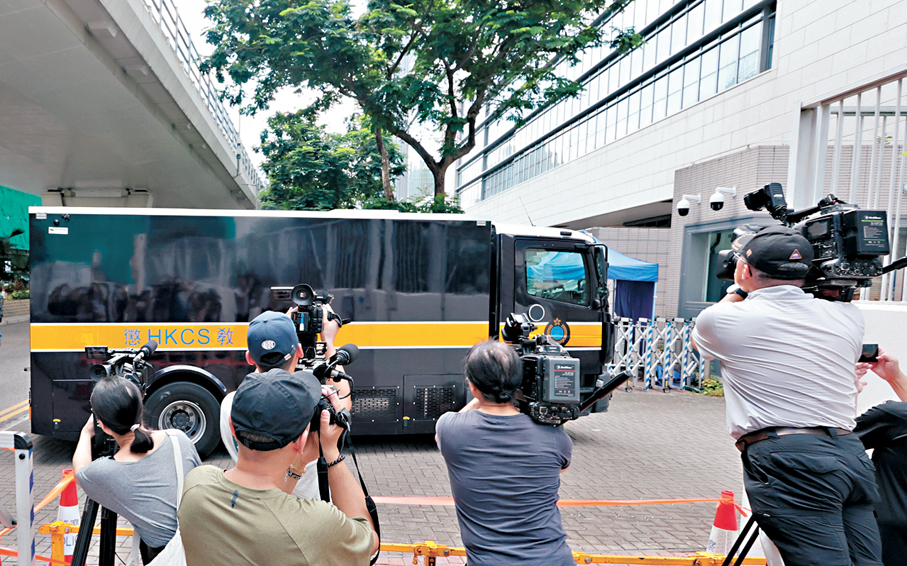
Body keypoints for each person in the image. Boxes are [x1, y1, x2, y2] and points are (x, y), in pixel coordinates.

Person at [691, 225, 882, 566]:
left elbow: (705, 336)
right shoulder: (848, 315)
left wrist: (738, 287)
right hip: (850, 456)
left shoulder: (722, 320)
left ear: (745, 269)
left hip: (792, 461)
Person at [177, 349, 378, 565]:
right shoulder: (315, 525)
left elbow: (266, 506)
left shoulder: (197, 484)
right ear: (300, 441)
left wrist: (299, 464)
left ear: (232, 429)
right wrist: (331, 452)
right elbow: (369, 542)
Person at [435, 340, 574, 566]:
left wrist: (481, 397)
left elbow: (440, 434)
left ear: (472, 386)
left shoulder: (451, 430)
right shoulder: (555, 439)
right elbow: (563, 466)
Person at [218, 305, 350, 499]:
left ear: (249, 357)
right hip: (308, 512)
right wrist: (329, 342)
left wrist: (280, 327)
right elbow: (344, 403)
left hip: (253, 505)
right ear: (299, 351)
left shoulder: (230, 403)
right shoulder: (311, 402)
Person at [72, 377, 201, 564]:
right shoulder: (178, 438)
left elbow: (79, 472)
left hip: (164, 556)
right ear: (141, 409)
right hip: (204, 545)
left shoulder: (104, 471)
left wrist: (85, 433)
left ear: (104, 425)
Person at [854, 348, 907, 566]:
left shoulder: (894, 416)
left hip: (885, 532)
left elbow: (836, 441)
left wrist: (847, 392)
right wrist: (895, 378)